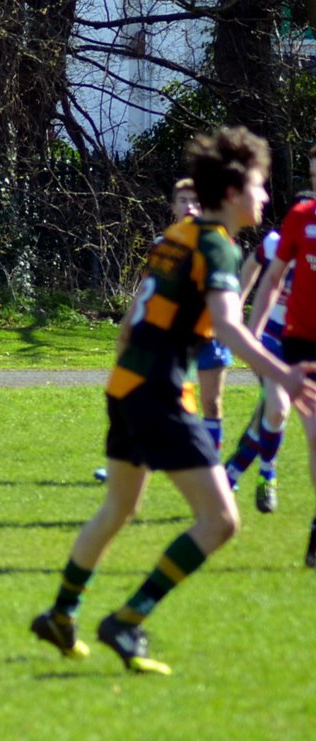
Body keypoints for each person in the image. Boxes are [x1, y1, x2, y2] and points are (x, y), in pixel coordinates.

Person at [31, 126, 316, 675]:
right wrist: (282, 372)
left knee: (118, 507)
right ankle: (127, 620)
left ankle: (62, 614)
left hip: (125, 384)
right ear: (232, 191)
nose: (265, 196)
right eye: (259, 185)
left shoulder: (178, 234)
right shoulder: (217, 245)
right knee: (220, 521)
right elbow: (228, 327)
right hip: (159, 392)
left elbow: (134, 322)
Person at [225, 148, 316, 515]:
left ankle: (232, 473)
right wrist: (237, 308)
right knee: (277, 409)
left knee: (269, 415)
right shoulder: (278, 242)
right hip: (270, 341)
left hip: (298, 342)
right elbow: (250, 271)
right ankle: (267, 473)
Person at [96, 179, 204, 483]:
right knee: (143, 400)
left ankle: (209, 465)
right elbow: (147, 287)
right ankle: (129, 462)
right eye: (183, 201)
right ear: (172, 207)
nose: (190, 207)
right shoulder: (164, 244)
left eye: (196, 201)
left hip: (194, 340)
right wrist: (128, 323)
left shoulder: (211, 246)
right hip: (156, 341)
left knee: (206, 402)